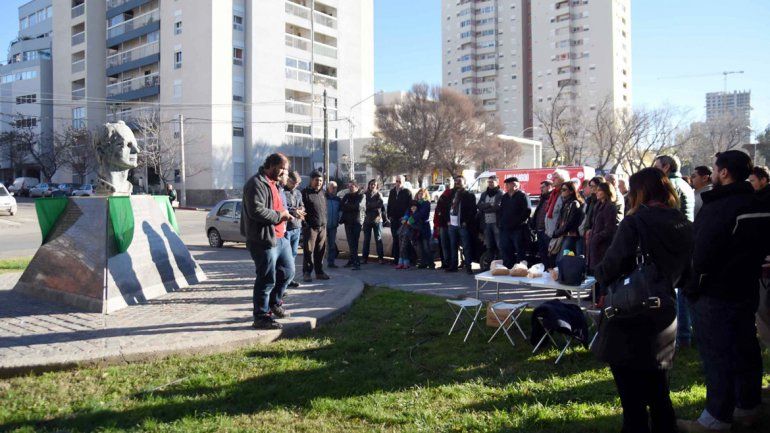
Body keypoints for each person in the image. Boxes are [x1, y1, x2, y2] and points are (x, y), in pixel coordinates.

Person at [594, 167, 694, 433]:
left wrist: (599, 273)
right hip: (665, 311)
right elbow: (688, 273)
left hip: (630, 312)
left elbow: (610, 266)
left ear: (639, 192)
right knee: (659, 391)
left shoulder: (635, 222)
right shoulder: (683, 223)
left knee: (632, 400)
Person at [679, 151, 770, 432]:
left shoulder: (720, 206)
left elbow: (703, 255)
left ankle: (716, 418)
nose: (713, 174)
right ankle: (748, 406)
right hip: (746, 288)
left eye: (716, 169)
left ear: (724, 172)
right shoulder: (757, 202)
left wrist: (692, 285)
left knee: (718, 355)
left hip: (715, 292)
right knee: (745, 348)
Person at [241, 153, 296, 330]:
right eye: (282, 168)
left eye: (286, 170)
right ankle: (261, 316)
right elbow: (256, 211)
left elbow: (280, 207)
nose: (284, 173)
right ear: (271, 165)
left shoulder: (276, 185)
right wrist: (281, 216)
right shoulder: (256, 183)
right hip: (263, 239)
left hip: (281, 238)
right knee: (266, 279)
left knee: (288, 272)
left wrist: (291, 214)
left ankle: (275, 303)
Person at [653, 154, 695, 347]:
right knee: (682, 292)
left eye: (656, 166)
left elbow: (667, 215)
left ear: (666, 167)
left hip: (673, 242)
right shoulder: (686, 184)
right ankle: (685, 334)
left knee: (674, 292)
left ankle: (680, 336)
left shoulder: (669, 185)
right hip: (685, 239)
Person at [587, 182, 620, 297]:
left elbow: (609, 229)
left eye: (599, 190)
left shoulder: (610, 207)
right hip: (595, 244)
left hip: (603, 245)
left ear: (607, 192)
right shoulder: (598, 205)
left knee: (602, 272)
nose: (597, 192)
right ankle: (595, 296)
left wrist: (596, 238)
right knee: (595, 272)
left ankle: (603, 298)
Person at [301, 171, 330, 282]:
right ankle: (307, 273)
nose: (319, 182)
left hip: (322, 227)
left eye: (321, 180)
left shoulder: (323, 193)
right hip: (310, 227)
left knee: (321, 250)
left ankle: (319, 272)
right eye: (316, 180)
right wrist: (305, 224)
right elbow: (301, 210)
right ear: (311, 180)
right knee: (309, 251)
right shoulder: (305, 193)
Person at [447, 175, 477, 274]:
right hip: (452, 224)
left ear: (464, 182)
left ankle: (468, 266)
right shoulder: (452, 193)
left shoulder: (469, 195)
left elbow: (472, 210)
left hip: (462, 224)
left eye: (459, 181)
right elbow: (448, 207)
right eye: (456, 181)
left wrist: (466, 222)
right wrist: (448, 220)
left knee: (466, 246)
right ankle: (453, 265)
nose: (457, 183)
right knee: (453, 245)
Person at [498, 177, 529, 268]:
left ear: (515, 185)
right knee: (505, 248)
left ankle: (520, 268)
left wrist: (517, 223)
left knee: (519, 249)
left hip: (517, 229)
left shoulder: (522, 196)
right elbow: (501, 211)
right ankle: (508, 267)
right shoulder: (505, 197)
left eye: (508, 184)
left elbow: (527, 211)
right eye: (505, 184)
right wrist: (501, 222)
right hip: (505, 228)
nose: (506, 186)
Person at [550, 181, 584, 262]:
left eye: (564, 189)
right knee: (560, 259)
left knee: (562, 259)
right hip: (564, 235)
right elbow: (561, 220)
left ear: (571, 191)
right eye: (561, 189)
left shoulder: (574, 203)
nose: (562, 191)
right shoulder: (566, 203)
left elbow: (570, 222)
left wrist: (557, 232)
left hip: (571, 236)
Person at [283, 172, 306, 287]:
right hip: (286, 228)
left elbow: (302, 204)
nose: (295, 186)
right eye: (293, 183)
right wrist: (293, 211)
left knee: (293, 254)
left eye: (297, 184)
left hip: (297, 226)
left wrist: (301, 209)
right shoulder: (282, 191)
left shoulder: (298, 192)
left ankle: (290, 279)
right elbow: (283, 207)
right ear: (288, 180)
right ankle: (283, 281)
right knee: (285, 256)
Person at [544, 169, 570, 267]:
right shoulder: (554, 193)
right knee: (550, 261)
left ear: (562, 179)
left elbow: (563, 215)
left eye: (555, 177)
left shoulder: (564, 194)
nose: (553, 179)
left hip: (559, 234)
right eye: (553, 177)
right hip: (550, 232)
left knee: (557, 262)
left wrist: (558, 231)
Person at [579, 176, 607, 264]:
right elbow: (587, 217)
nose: (591, 188)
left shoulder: (604, 202)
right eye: (590, 186)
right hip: (588, 232)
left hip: (598, 234)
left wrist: (594, 232)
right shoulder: (590, 200)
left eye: (593, 186)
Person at [387, 175, 413, 264]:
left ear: (403, 182)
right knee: (395, 238)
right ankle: (396, 259)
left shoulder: (407, 192)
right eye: (397, 181)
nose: (398, 183)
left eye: (399, 181)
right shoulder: (392, 191)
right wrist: (389, 215)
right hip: (393, 219)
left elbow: (410, 206)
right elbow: (389, 204)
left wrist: (406, 217)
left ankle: (407, 259)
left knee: (403, 240)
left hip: (402, 220)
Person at [477, 175, 503, 261]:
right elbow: (479, 206)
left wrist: (485, 209)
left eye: (492, 182)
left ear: (497, 182)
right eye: (489, 182)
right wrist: (489, 205)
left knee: (499, 244)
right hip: (486, 223)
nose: (490, 184)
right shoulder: (484, 194)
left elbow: (498, 207)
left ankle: (501, 262)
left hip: (497, 223)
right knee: (489, 245)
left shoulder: (500, 193)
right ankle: (489, 263)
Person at [340, 181, 365, 271]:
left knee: (354, 243)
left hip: (356, 222)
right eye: (349, 186)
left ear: (357, 187)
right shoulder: (347, 196)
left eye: (352, 186)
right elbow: (341, 206)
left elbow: (357, 206)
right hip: (347, 222)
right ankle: (352, 260)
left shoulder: (361, 195)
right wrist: (349, 207)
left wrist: (347, 206)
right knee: (351, 243)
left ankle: (356, 263)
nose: (350, 188)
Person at [361, 179, 387, 265]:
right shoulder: (364, 195)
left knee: (378, 239)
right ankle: (364, 258)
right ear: (369, 185)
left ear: (376, 186)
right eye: (371, 184)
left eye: (374, 185)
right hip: (367, 220)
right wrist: (373, 206)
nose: (373, 186)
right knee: (366, 240)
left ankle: (380, 258)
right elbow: (363, 207)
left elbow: (380, 205)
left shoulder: (379, 194)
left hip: (377, 220)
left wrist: (370, 205)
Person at [530, 180, 554, 266]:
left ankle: (551, 270)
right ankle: (546, 270)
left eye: (543, 187)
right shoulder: (543, 198)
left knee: (549, 253)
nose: (541, 189)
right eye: (540, 187)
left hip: (547, 231)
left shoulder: (552, 197)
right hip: (539, 230)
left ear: (549, 187)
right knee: (542, 253)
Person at [396, 200, 421, 269]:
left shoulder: (417, 215)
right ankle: (403, 263)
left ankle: (404, 263)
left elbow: (416, 225)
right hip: (402, 231)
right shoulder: (409, 214)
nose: (412, 208)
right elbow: (404, 221)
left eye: (414, 207)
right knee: (401, 247)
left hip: (409, 233)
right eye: (412, 207)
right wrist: (404, 220)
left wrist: (408, 222)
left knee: (403, 247)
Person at [434, 185, 454, 270]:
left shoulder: (443, 198)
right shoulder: (445, 198)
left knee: (445, 245)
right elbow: (438, 213)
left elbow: (438, 213)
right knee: (447, 245)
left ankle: (447, 262)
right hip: (445, 224)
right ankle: (447, 262)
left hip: (445, 224)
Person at [413, 188, 434, 269]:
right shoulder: (415, 203)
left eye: (422, 193)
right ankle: (423, 263)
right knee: (420, 247)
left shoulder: (426, 203)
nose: (420, 194)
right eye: (419, 193)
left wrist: (413, 217)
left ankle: (431, 263)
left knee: (426, 247)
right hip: (417, 228)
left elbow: (421, 214)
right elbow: (410, 211)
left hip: (424, 227)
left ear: (425, 195)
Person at [325, 181, 341, 268]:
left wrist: (338, 220)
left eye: (336, 187)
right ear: (328, 188)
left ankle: (331, 262)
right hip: (323, 225)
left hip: (333, 225)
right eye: (332, 187)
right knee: (321, 245)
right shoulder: (323, 197)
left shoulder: (338, 199)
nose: (334, 189)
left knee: (332, 245)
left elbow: (340, 212)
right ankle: (318, 263)